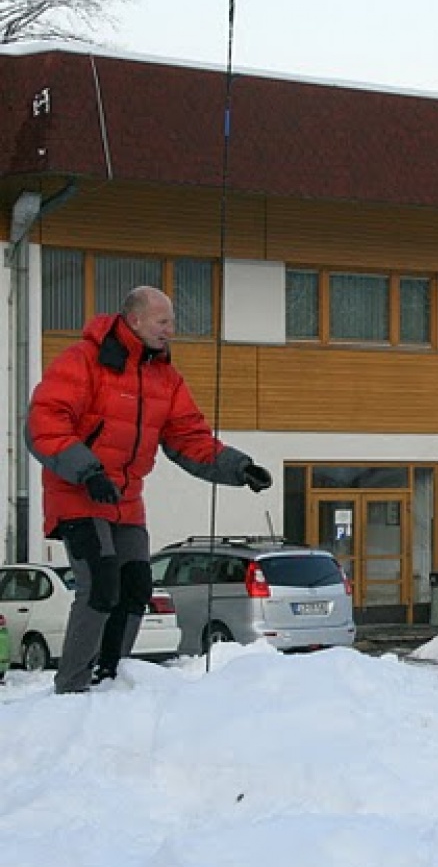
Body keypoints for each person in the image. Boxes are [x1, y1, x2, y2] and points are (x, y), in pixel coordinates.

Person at [26, 286, 273, 694]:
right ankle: (72, 687)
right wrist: (86, 470)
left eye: (172, 323)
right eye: (163, 322)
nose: (170, 331)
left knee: (136, 585)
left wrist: (239, 467)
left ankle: (111, 675)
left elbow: (188, 437)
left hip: (125, 499)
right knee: (101, 584)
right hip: (77, 492)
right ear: (135, 319)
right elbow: (44, 422)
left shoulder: (165, 378)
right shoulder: (84, 360)